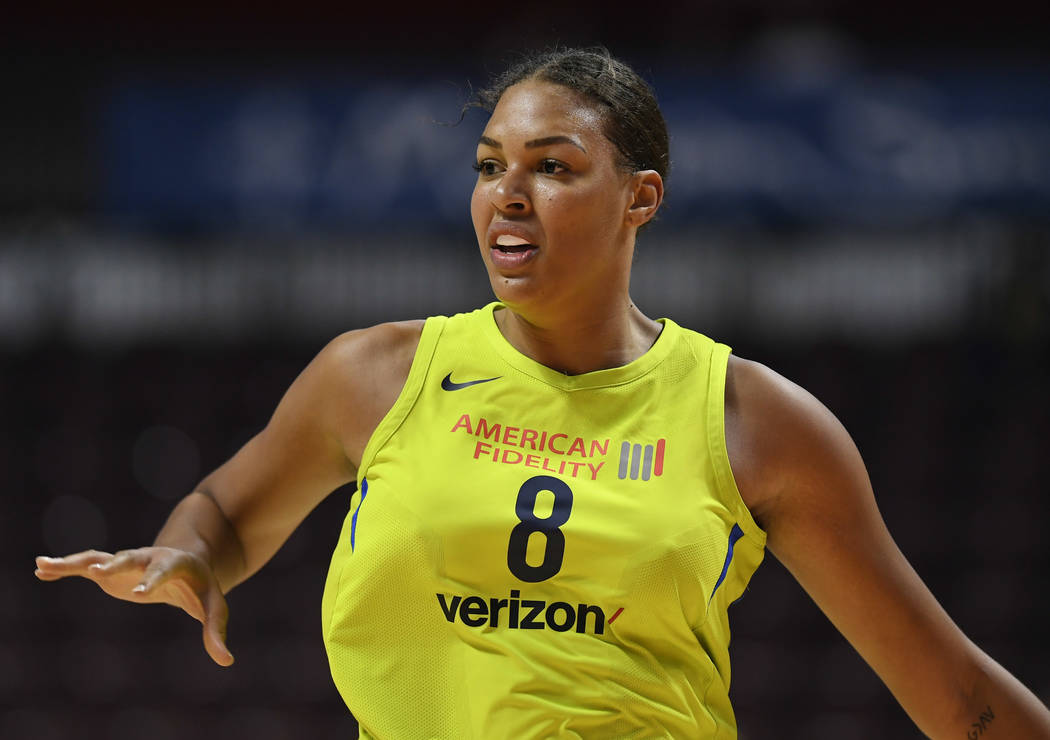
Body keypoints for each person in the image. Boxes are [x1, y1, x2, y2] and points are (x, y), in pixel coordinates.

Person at [34, 48, 1050, 739]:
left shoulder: (753, 419)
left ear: (638, 197)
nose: (507, 194)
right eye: (489, 166)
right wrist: (188, 556)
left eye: (552, 166)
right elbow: (221, 512)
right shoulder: (376, 374)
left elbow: (956, 696)